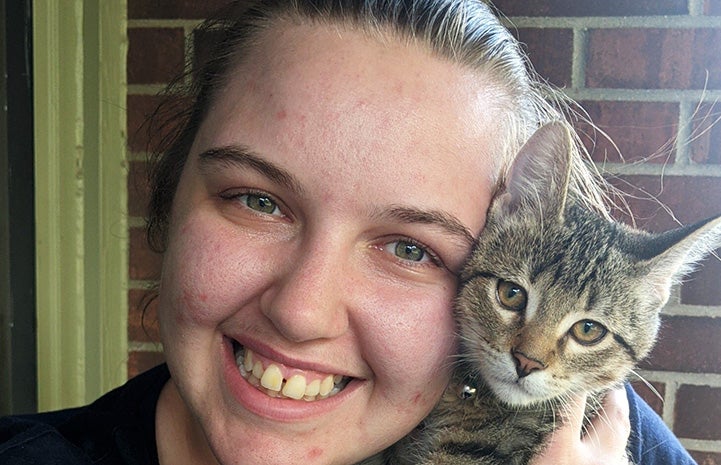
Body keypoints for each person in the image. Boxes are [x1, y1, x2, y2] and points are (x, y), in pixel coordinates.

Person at [0, 1, 696, 464]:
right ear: (167, 199)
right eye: (257, 200)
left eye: (410, 247)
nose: (300, 311)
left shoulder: (591, 424)